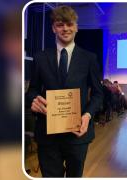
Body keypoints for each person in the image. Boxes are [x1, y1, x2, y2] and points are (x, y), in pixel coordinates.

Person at [26, 5, 103, 177]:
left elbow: (98, 94)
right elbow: (32, 90)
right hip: (47, 134)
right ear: (53, 28)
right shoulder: (40, 57)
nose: (65, 28)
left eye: (69, 24)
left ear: (76, 27)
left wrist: (88, 115)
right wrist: (34, 100)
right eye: (60, 24)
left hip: (78, 134)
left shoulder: (89, 58)